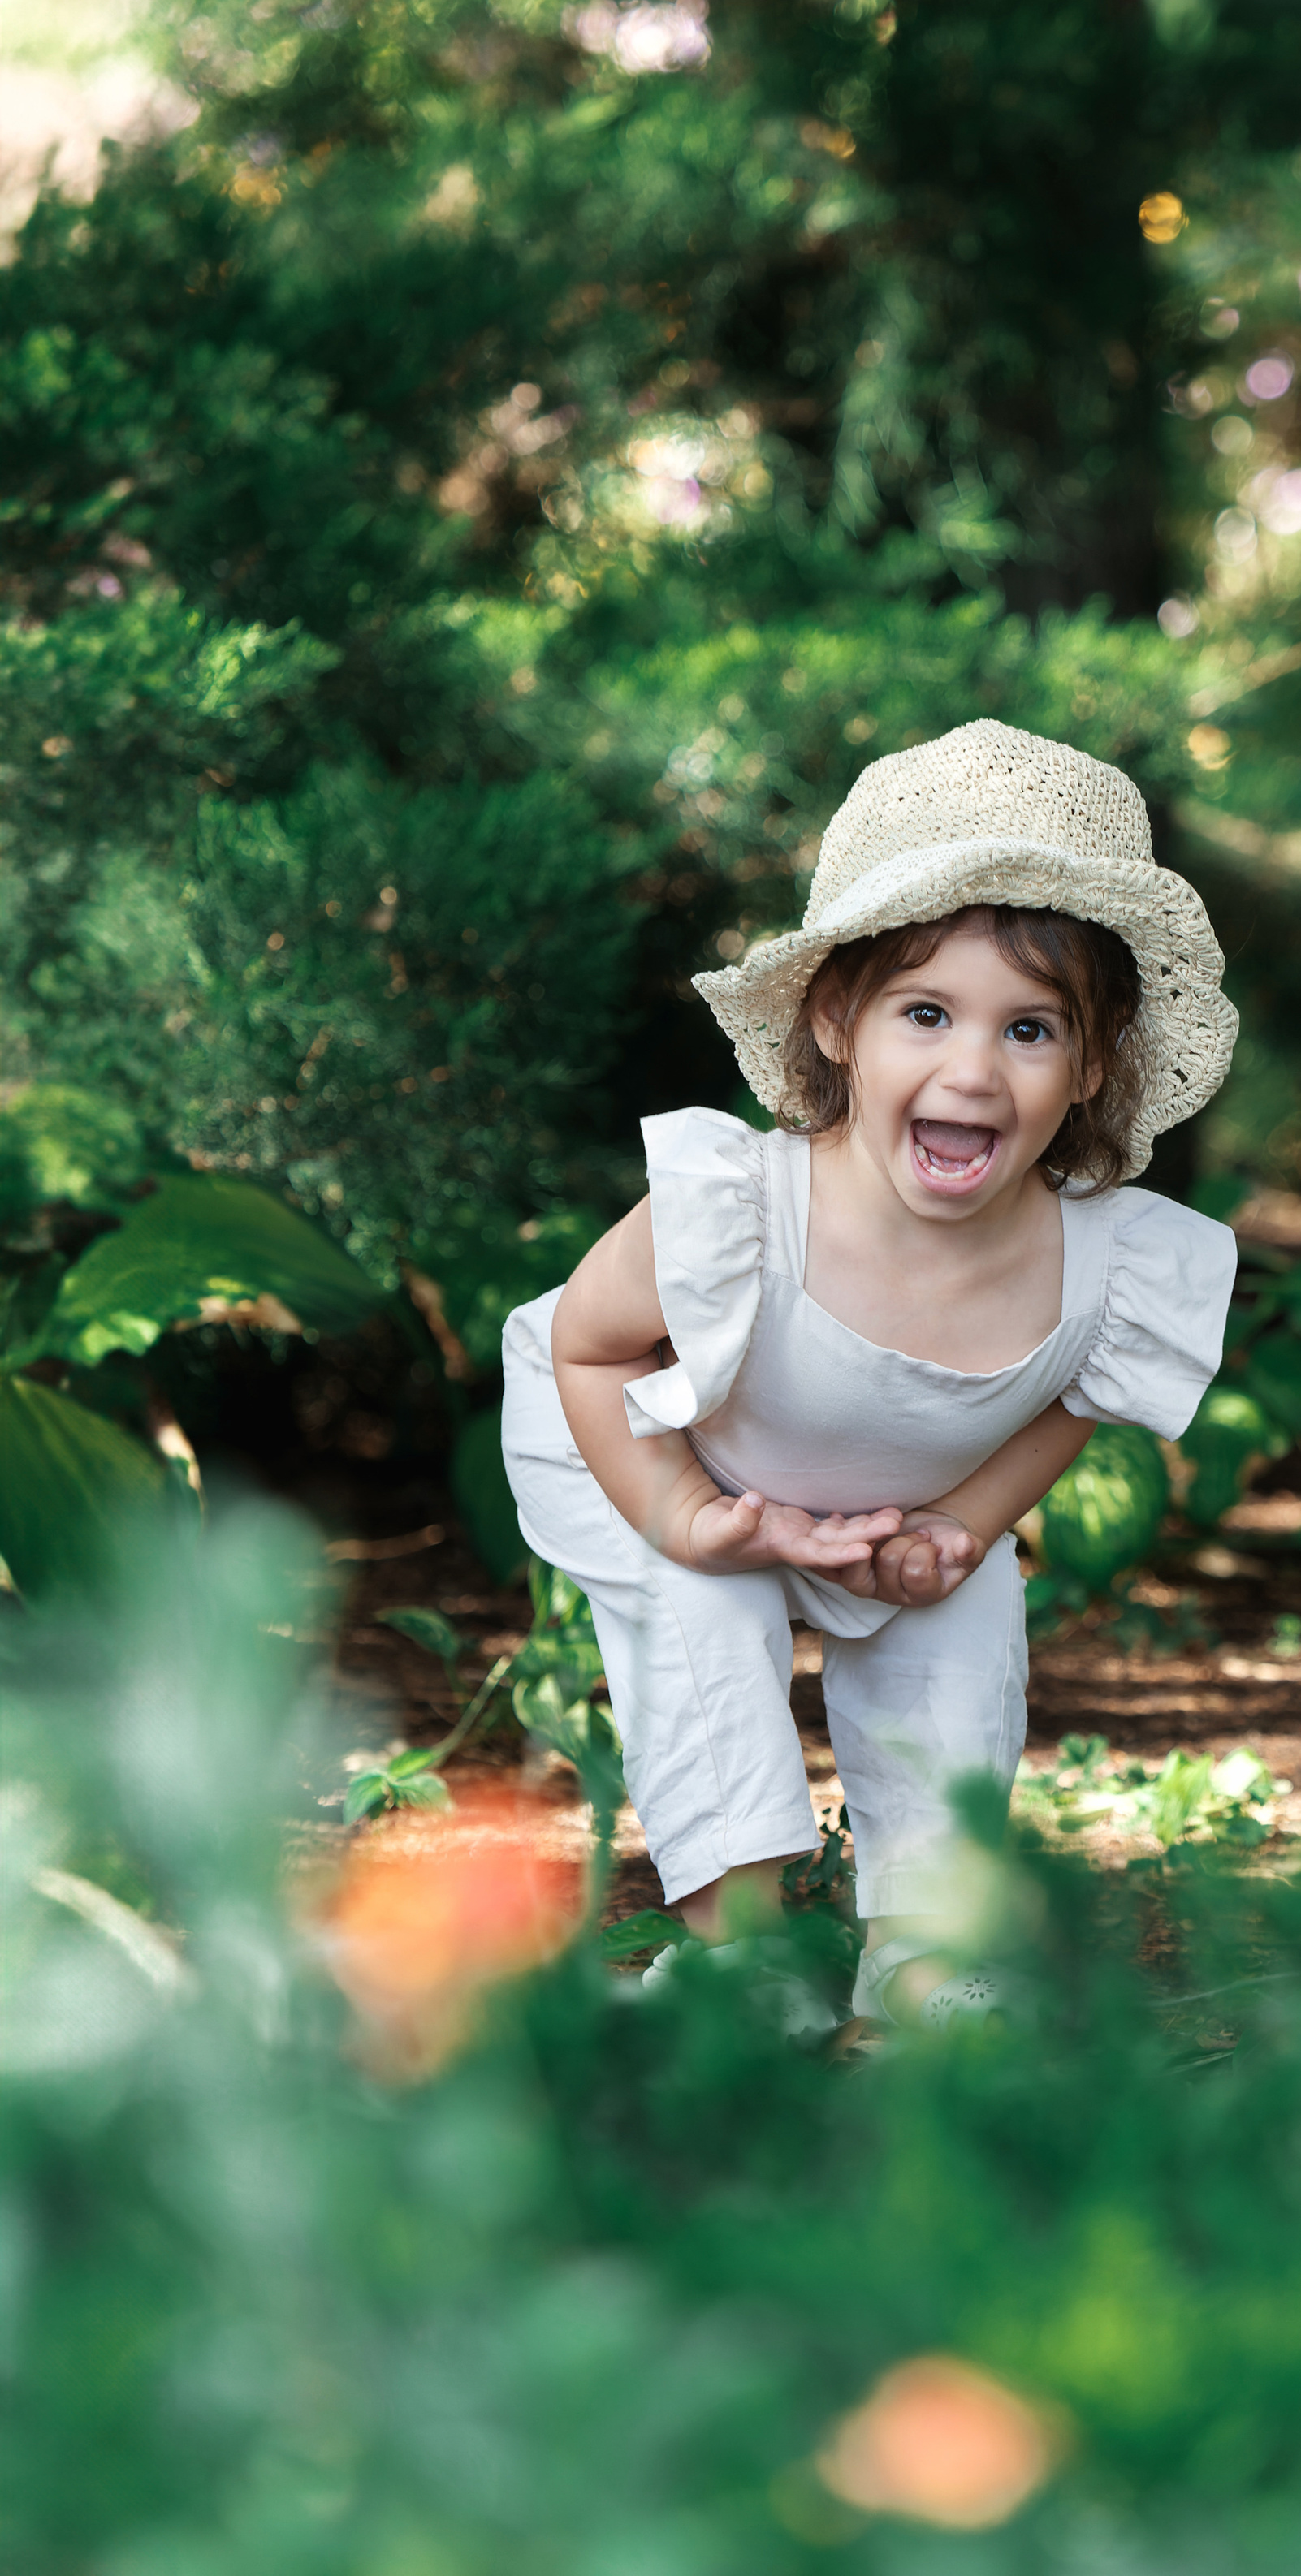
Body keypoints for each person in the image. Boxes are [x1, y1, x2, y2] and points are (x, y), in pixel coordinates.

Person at [501, 719, 1239, 2033]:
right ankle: (739, 1960)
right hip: (664, 1454)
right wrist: (679, 1510)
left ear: (1093, 1067)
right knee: (708, 1629)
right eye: (925, 1013)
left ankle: (927, 1958)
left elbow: (1070, 1395)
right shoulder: (738, 1206)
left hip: (896, 1506)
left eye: (1029, 1029)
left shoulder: (1099, 1263)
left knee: (962, 1642)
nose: (971, 1069)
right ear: (837, 1019)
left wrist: (966, 1523)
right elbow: (589, 1345)